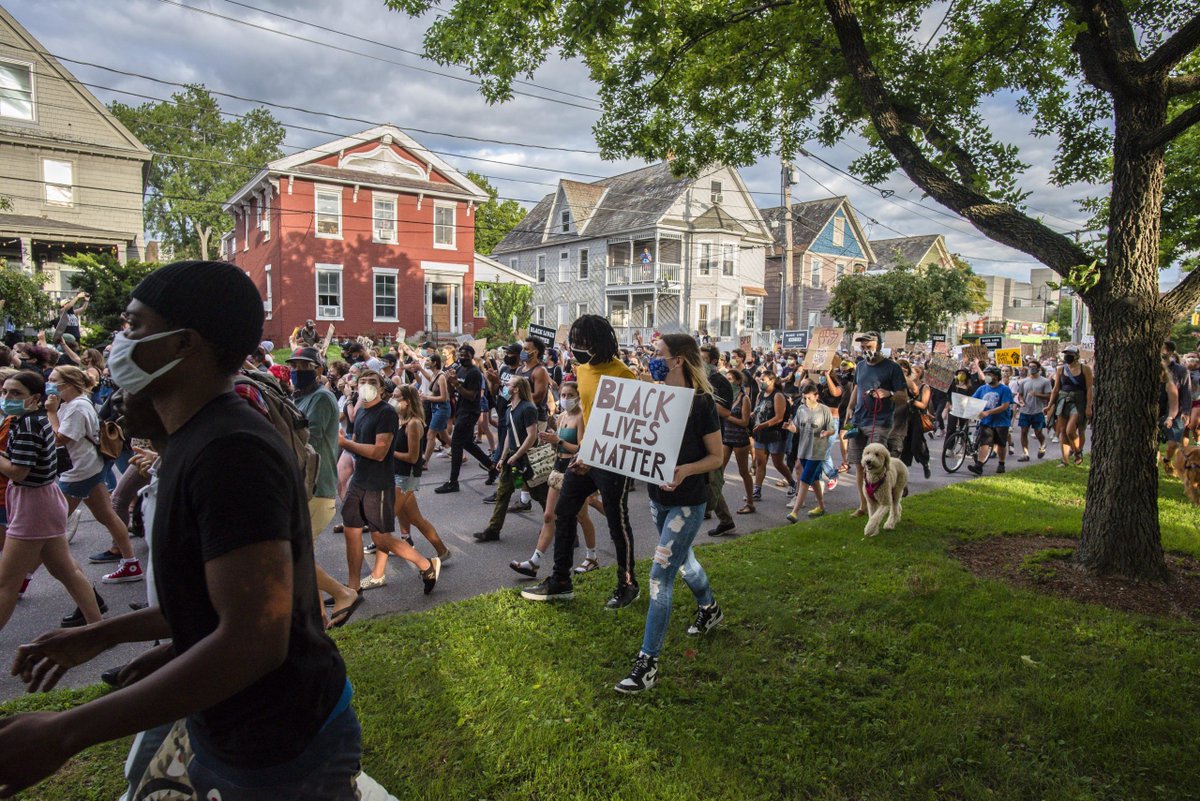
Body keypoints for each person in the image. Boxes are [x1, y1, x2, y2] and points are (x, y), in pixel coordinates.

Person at [0, 260, 361, 799]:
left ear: (182, 344)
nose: (121, 341)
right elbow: (215, 603)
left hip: (283, 744)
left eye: (135, 325)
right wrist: (101, 636)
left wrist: (65, 732)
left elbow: (253, 640)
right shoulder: (197, 441)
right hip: (227, 726)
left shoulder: (230, 453)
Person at [613, 334, 723, 695]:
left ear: (677, 360)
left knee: (660, 576)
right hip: (657, 497)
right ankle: (709, 607)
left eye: (658, 354)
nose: (651, 359)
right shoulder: (652, 396)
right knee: (683, 559)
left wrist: (686, 470)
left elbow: (716, 458)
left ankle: (647, 664)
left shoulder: (702, 403)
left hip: (688, 501)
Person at [522, 314, 639, 608]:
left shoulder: (623, 374)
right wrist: (582, 452)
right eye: (574, 342)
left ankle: (627, 584)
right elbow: (587, 416)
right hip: (584, 457)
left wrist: (593, 453)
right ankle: (560, 580)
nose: (576, 347)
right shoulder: (583, 370)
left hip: (612, 460)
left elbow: (624, 426)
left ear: (599, 342)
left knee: (617, 521)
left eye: (582, 342)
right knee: (564, 512)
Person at [0, 370, 103, 633]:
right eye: (5, 392)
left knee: (6, 583)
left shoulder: (26, 424)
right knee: (66, 570)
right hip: (43, 500)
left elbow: (18, 471)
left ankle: (98, 628)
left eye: (15, 393)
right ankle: (98, 629)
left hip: (33, 505)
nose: (7, 397)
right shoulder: (34, 420)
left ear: (34, 398)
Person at [339, 369, 440, 594]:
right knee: (351, 531)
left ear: (382, 388)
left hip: (378, 484)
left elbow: (379, 452)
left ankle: (426, 564)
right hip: (359, 480)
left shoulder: (386, 413)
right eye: (362, 381)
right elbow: (356, 441)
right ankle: (352, 589)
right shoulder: (362, 410)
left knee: (382, 539)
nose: (365, 385)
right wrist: (346, 443)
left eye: (371, 382)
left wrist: (344, 443)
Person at [45, 365, 144, 584]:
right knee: (106, 515)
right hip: (86, 467)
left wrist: (51, 412)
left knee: (49, 526)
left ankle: (24, 577)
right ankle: (130, 562)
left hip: (80, 471)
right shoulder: (73, 403)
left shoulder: (78, 406)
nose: (49, 384)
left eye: (53, 380)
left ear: (69, 384)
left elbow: (60, 438)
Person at [287, 347, 361, 627]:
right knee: (302, 554)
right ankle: (317, 621)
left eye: (304, 365)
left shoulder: (321, 398)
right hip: (305, 485)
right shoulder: (300, 397)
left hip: (317, 485)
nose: (297, 370)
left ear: (318, 369)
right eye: (293, 364)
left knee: (294, 556)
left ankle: (344, 593)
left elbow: (307, 439)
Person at [510, 381, 602, 577]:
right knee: (548, 516)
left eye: (570, 395)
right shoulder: (561, 418)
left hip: (574, 471)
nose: (566, 398)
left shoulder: (581, 418)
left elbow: (580, 449)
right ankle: (534, 562)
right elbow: (558, 446)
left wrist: (558, 441)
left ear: (578, 396)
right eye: (563, 394)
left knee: (581, 516)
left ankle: (592, 556)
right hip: (557, 469)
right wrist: (552, 441)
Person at [471, 375, 547, 542]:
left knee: (541, 495)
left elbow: (532, 436)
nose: (505, 386)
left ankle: (564, 528)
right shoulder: (509, 408)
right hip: (512, 458)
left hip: (525, 459)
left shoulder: (528, 408)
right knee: (503, 493)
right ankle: (493, 530)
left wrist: (518, 454)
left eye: (509, 384)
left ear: (517, 389)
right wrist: (503, 457)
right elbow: (508, 435)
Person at [846, 332, 908, 516]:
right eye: (863, 347)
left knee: (877, 465)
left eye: (869, 346)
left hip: (879, 422)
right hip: (857, 420)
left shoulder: (892, 368)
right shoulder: (860, 366)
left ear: (879, 346)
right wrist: (849, 408)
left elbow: (903, 397)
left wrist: (888, 393)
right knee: (858, 463)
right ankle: (863, 505)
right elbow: (857, 387)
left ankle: (884, 502)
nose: (865, 350)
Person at [435, 344, 495, 493]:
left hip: (470, 412)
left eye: (466, 355)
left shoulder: (474, 373)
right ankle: (492, 467)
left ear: (472, 356)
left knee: (456, 444)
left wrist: (457, 384)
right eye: (460, 355)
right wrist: (450, 381)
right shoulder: (459, 369)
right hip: (461, 410)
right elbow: (451, 391)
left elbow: (472, 395)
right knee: (468, 443)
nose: (462, 358)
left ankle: (453, 482)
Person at [785, 383, 836, 521]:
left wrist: (826, 433)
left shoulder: (824, 410)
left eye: (808, 398)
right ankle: (821, 507)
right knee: (814, 480)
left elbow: (832, 429)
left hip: (817, 451)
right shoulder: (801, 409)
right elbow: (797, 428)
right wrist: (790, 427)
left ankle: (795, 512)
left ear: (816, 396)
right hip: (803, 450)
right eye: (804, 398)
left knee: (804, 480)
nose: (806, 401)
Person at [700, 344, 736, 536]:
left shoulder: (720, 382)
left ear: (714, 361)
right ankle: (716, 514)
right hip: (698, 434)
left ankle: (724, 518)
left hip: (714, 435)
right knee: (706, 478)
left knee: (713, 479)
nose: (700, 363)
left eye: (704, 359)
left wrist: (703, 398)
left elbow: (726, 411)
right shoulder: (698, 378)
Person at [1044, 345, 1093, 467]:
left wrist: (1089, 406)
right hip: (1063, 401)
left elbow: (1089, 389)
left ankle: (1077, 452)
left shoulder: (1085, 369)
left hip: (1078, 402)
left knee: (1071, 430)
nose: (1067, 357)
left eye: (1070, 354)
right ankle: (1065, 460)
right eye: (1066, 354)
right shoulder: (1061, 369)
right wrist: (1050, 405)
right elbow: (1056, 389)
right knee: (1062, 432)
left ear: (1076, 356)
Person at [751, 370, 792, 501]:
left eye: (763, 379)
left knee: (777, 463)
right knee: (760, 463)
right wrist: (751, 415)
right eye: (760, 379)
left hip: (775, 434)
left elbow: (779, 417)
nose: (761, 381)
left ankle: (792, 483)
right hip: (760, 434)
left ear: (772, 381)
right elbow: (758, 410)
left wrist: (763, 425)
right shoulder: (761, 394)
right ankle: (757, 490)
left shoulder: (778, 395)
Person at [720, 366, 755, 516]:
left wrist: (727, 416)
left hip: (740, 439)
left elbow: (745, 422)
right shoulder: (726, 397)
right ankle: (713, 503)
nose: (727, 382)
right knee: (718, 471)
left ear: (738, 381)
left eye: (730, 379)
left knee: (743, 472)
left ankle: (750, 502)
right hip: (726, 438)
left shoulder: (744, 399)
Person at [968, 366, 1014, 475]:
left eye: (991, 374)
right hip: (986, 421)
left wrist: (988, 412)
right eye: (987, 374)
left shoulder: (1004, 389)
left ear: (997, 376)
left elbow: (1004, 406)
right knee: (984, 443)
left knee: (1001, 444)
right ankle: (979, 465)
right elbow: (973, 400)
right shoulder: (982, 389)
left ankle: (1001, 463)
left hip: (1001, 422)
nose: (988, 376)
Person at [1015, 361, 1052, 461]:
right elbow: (1020, 395)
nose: (1032, 369)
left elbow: (1049, 395)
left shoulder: (1045, 381)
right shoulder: (1023, 381)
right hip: (1025, 410)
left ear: (1039, 368)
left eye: (1034, 367)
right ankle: (1025, 453)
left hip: (1038, 411)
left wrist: (1038, 394)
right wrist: (1021, 401)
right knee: (1024, 432)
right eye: (1030, 367)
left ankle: (1043, 444)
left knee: (1038, 432)